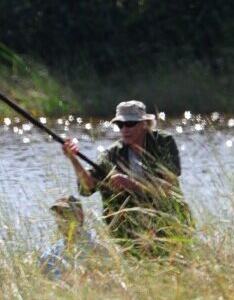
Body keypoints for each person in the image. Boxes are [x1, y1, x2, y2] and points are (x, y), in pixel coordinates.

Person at [61, 100, 193, 256]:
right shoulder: (112, 153)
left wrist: (132, 184)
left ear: (144, 124)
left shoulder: (163, 142)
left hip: (169, 225)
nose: (124, 129)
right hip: (129, 232)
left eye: (130, 123)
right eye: (120, 125)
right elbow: (88, 186)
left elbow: (167, 186)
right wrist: (73, 159)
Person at [37, 195, 111, 279]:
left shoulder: (97, 248)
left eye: (66, 214)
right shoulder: (50, 254)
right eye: (58, 214)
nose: (61, 219)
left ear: (80, 216)